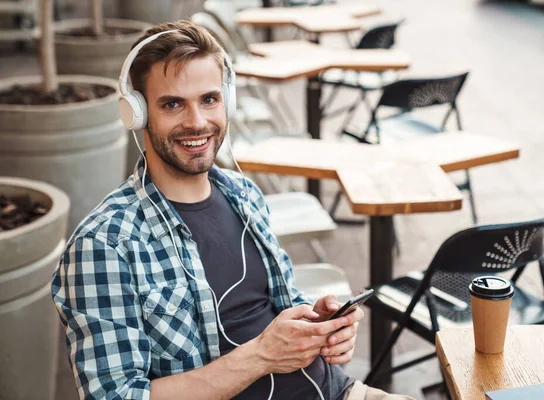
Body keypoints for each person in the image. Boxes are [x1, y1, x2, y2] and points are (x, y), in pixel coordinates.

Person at [51, 20, 413, 400]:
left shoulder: (243, 193)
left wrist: (319, 327)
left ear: (228, 100)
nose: (197, 122)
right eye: (173, 104)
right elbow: (115, 395)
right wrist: (261, 356)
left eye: (209, 99)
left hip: (337, 390)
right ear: (137, 114)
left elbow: (277, 304)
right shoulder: (104, 244)